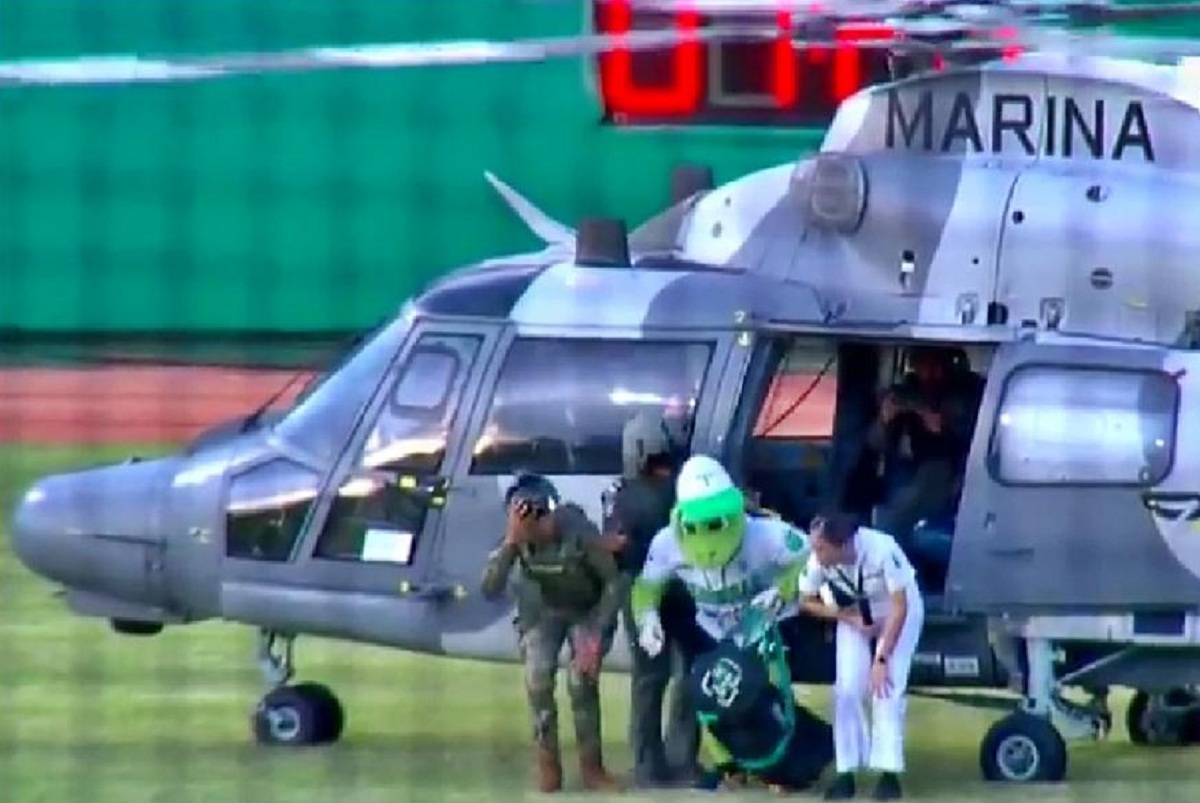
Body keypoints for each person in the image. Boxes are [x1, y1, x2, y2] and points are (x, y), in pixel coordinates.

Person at [630, 454, 823, 788]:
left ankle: (787, 766)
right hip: (712, 627)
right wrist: (647, 619)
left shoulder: (767, 535)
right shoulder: (666, 544)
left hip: (762, 624)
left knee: (767, 692)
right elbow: (646, 587)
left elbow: (810, 558)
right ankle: (726, 765)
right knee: (708, 694)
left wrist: (781, 590)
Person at [480, 473, 624, 793]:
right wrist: (510, 544)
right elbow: (489, 588)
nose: (537, 525)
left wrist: (596, 638)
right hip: (542, 611)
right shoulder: (518, 540)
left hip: (587, 608)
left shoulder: (578, 532)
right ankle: (548, 766)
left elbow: (612, 582)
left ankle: (592, 768)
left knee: (581, 681)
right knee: (537, 679)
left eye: (542, 515)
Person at [796, 511, 926, 801]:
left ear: (841, 545)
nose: (814, 552)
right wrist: (845, 616)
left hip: (897, 612)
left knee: (886, 687)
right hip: (856, 612)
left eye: (820, 547)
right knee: (846, 690)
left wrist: (881, 659)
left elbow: (900, 607)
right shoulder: (820, 560)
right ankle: (847, 772)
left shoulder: (883, 549)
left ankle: (889, 773)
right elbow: (805, 599)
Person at [602, 411, 700, 787]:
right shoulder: (681, 488)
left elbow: (618, 547)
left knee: (650, 680)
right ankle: (682, 762)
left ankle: (648, 765)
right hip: (681, 591)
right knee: (685, 675)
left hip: (643, 592)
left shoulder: (621, 494)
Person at [869, 346, 983, 549]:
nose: (928, 372)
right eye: (922, 365)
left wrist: (932, 416)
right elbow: (877, 444)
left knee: (899, 515)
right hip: (916, 467)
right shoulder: (910, 389)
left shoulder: (969, 389)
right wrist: (885, 419)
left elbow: (966, 431)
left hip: (956, 468)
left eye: (934, 364)